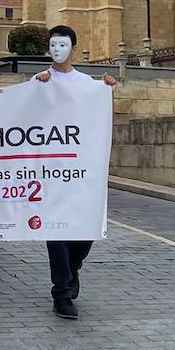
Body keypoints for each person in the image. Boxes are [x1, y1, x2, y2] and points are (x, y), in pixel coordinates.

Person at [33, 25, 117, 320]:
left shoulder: (87, 83)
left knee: (84, 230)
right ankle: (62, 292)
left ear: (73, 48)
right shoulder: (39, 80)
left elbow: (96, 115)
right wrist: (36, 88)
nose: (57, 50)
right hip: (50, 172)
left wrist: (106, 89)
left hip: (80, 170)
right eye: (52, 45)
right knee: (55, 230)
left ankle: (72, 269)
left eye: (62, 44)